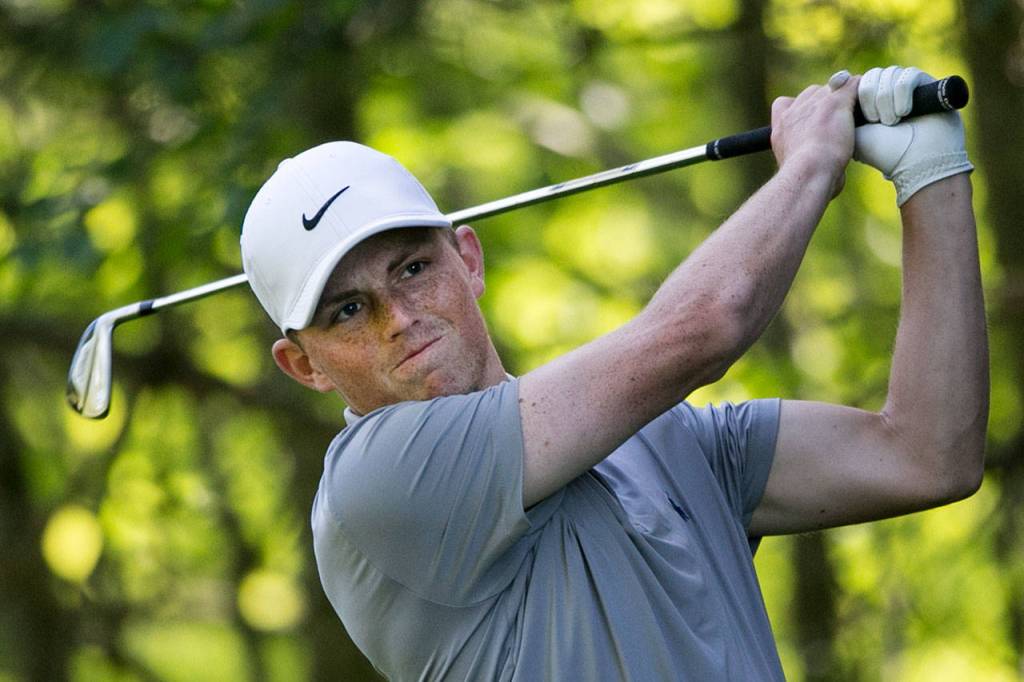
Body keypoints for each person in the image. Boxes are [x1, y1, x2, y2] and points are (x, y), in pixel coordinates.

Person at [239, 65, 988, 680]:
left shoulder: (665, 441)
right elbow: (699, 332)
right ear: (302, 366)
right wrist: (814, 164)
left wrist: (931, 171)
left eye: (412, 267)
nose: (397, 317)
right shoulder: (373, 485)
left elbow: (927, 455)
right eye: (347, 311)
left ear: (467, 259)